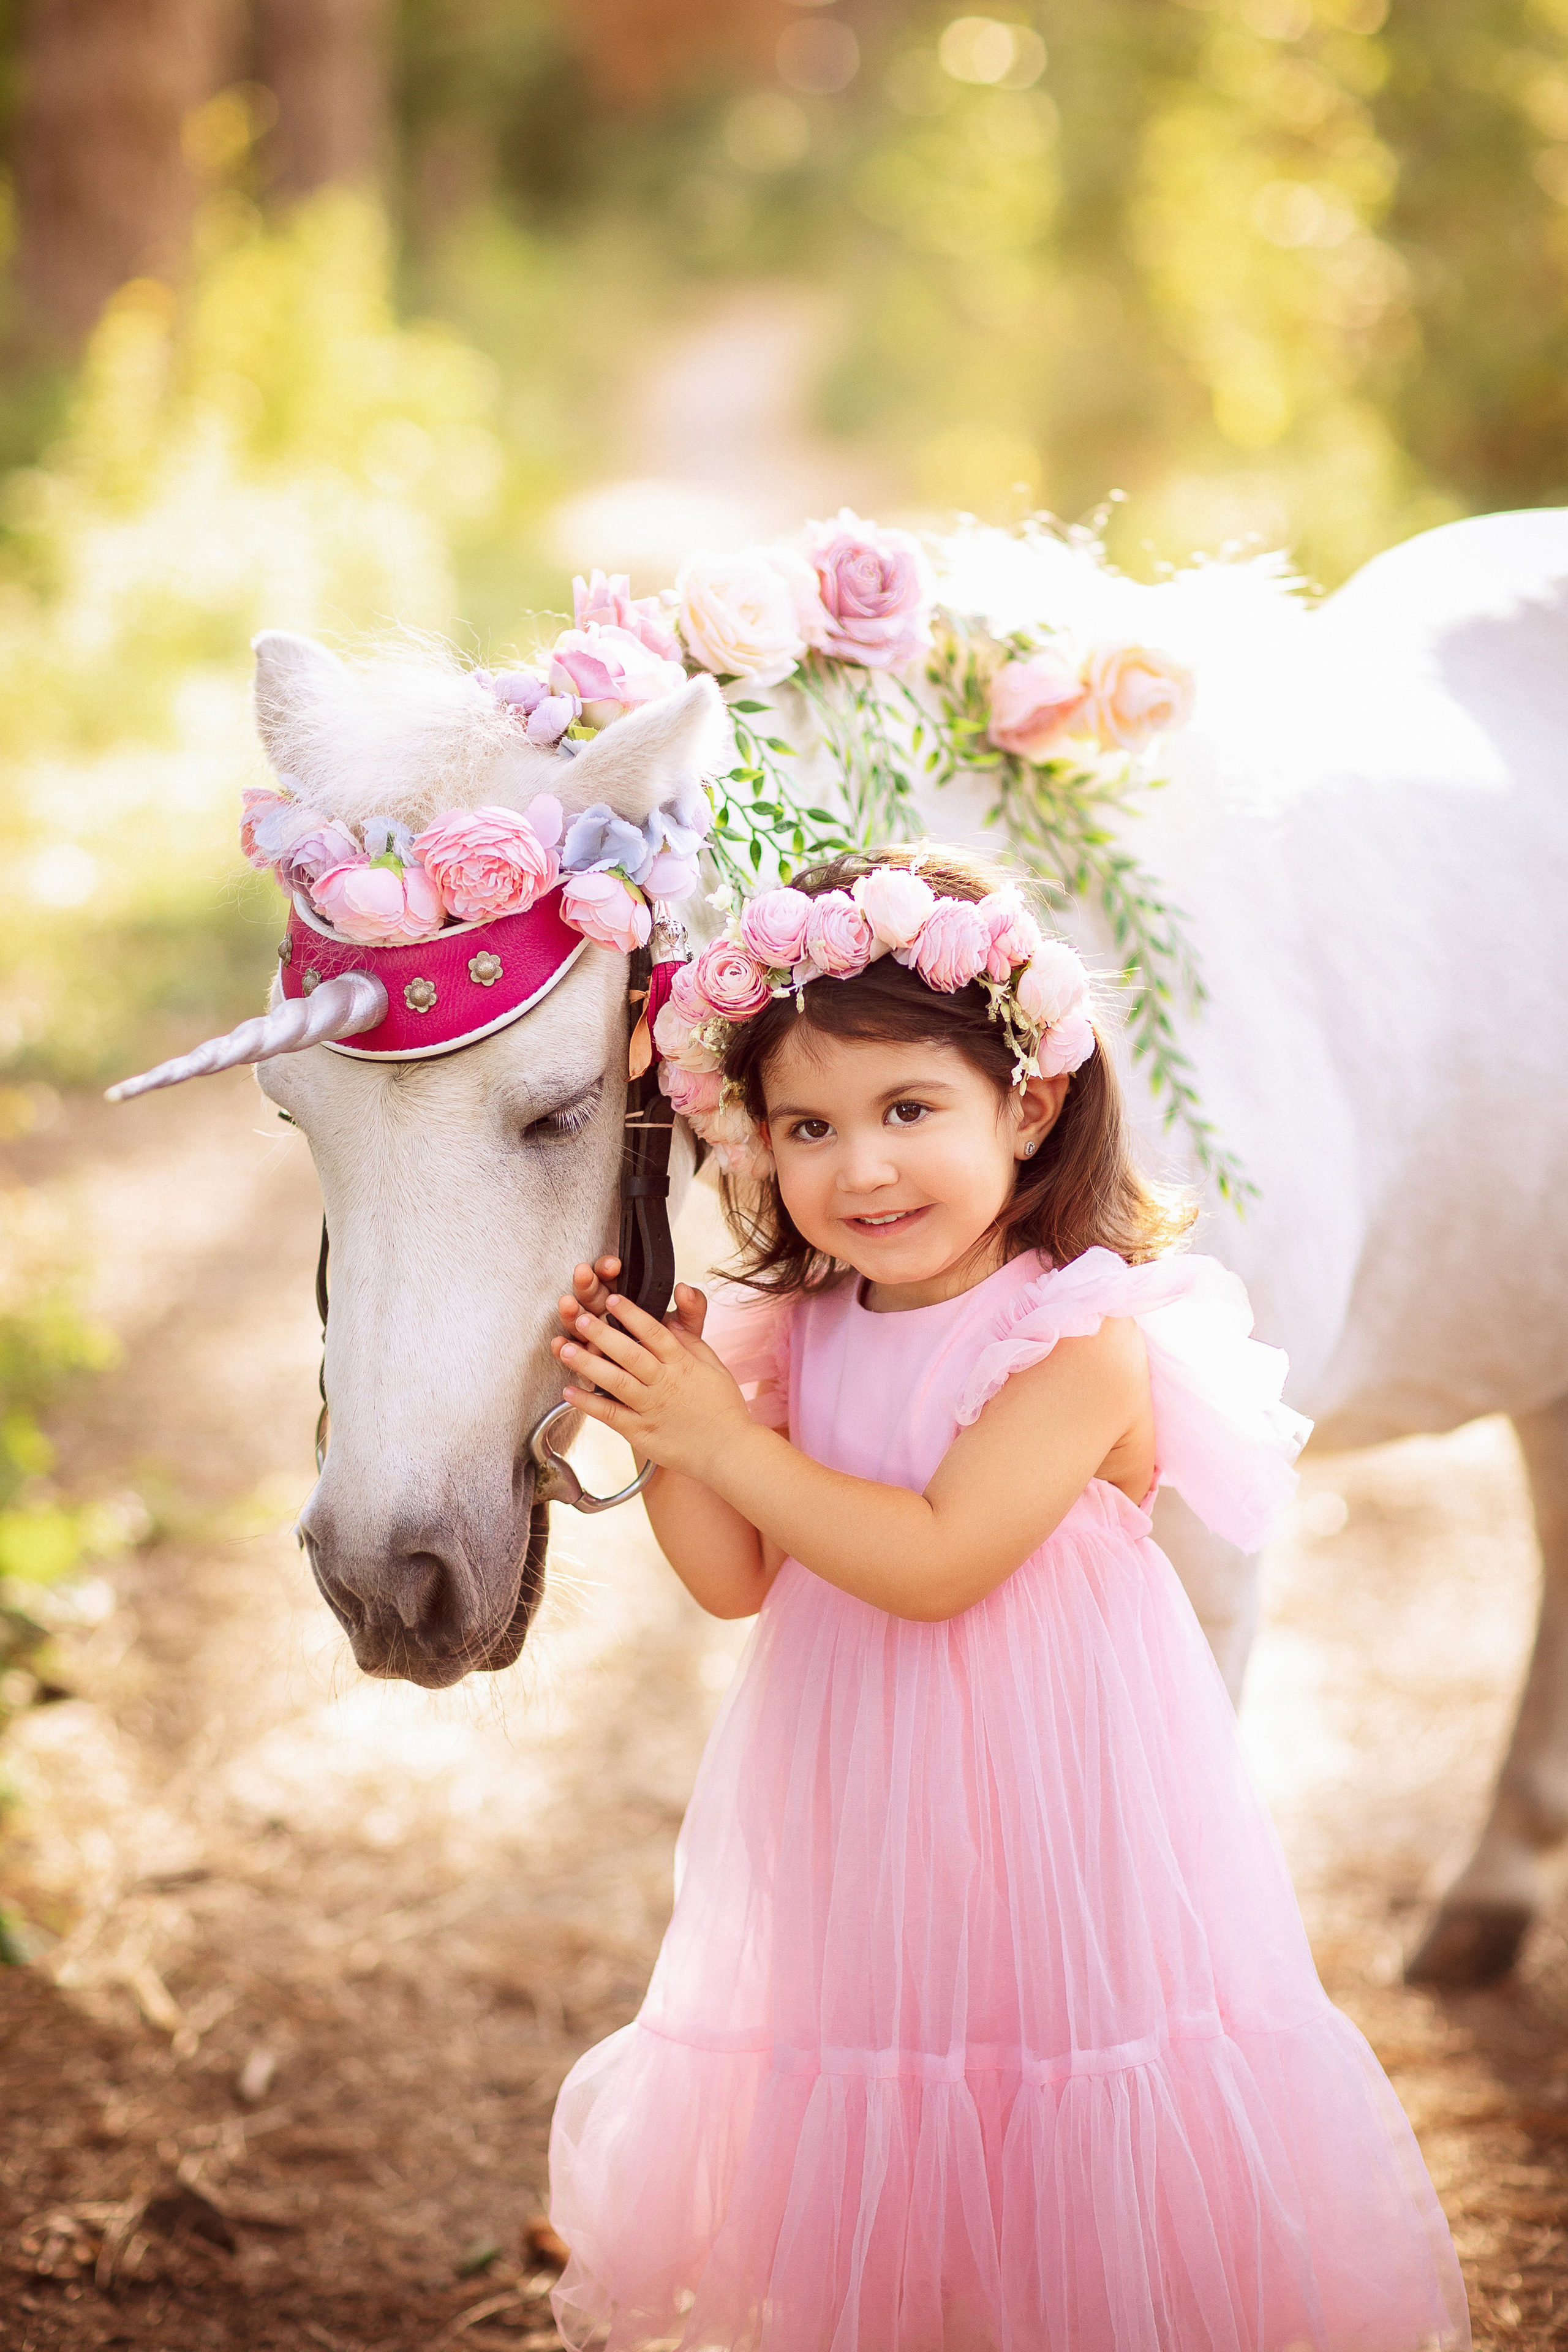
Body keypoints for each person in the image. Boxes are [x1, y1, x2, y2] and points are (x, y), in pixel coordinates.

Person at [545, 845, 1469, 2352]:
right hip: (861, 1810)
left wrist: (718, 1433)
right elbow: (729, 1582)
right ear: (759, 1145)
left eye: (911, 1110)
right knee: (893, 2104)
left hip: (1052, 1823)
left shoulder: (1072, 1336)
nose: (861, 1167)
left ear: (1026, 1105)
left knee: (1053, 2103)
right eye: (808, 1126)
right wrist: (659, 1416)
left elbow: (931, 1562)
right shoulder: (806, 1325)